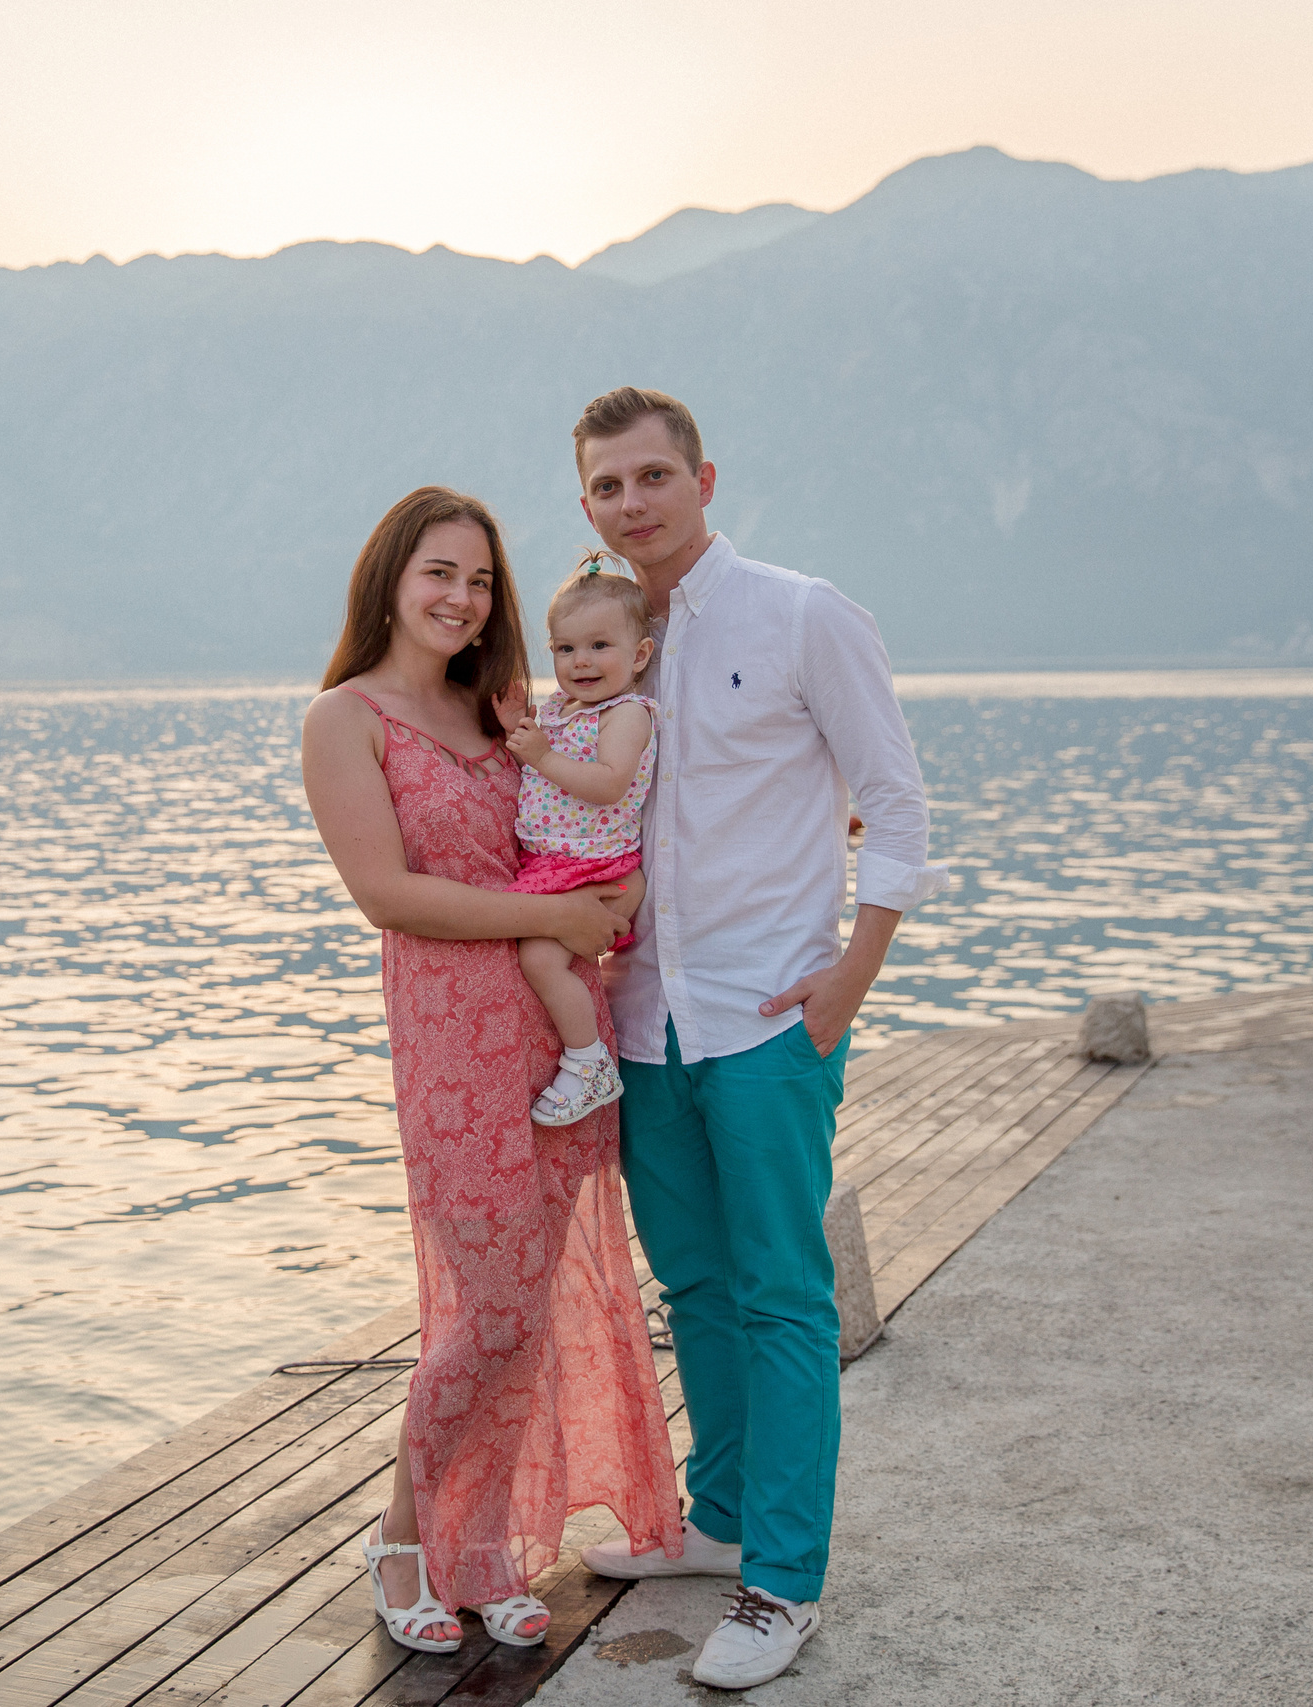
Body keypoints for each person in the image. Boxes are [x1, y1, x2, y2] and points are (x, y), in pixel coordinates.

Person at [567, 388, 946, 1689]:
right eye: (609, 485)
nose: (635, 501)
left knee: (784, 1291)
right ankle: (716, 1518)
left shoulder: (800, 611)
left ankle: (782, 1582)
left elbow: (894, 796)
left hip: (770, 1018)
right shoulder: (606, 643)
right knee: (699, 1286)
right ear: (588, 505)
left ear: (705, 478)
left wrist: (854, 972)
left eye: (654, 475)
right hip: (646, 1024)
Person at [300, 486, 683, 1656]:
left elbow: (600, 819)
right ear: (389, 581)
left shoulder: (503, 706)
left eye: (478, 580)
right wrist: (563, 928)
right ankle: (403, 1541)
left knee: (519, 1317)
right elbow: (386, 895)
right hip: (453, 1038)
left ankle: (491, 1552)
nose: (460, 599)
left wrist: (601, 919)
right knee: (493, 1310)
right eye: (439, 574)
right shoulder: (343, 718)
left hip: (562, 1030)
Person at [502, 555, 657, 1127]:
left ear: (639, 655)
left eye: (598, 646)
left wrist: (542, 753)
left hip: (601, 868)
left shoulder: (627, 714)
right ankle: (577, 1053)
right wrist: (516, 726)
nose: (581, 661)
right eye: (566, 649)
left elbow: (609, 784)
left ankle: (589, 1060)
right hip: (556, 866)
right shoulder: (560, 712)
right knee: (532, 957)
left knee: (540, 960)